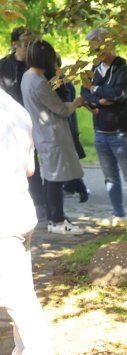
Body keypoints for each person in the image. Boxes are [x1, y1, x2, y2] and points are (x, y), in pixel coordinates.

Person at [1, 87, 58, 355]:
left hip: (3, 218)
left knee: (16, 295)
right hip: (20, 210)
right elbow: (29, 168)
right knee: (20, 288)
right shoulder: (15, 108)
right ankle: (24, 353)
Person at [82, 28, 127, 229]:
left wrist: (96, 90)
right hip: (101, 133)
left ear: (109, 45)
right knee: (110, 177)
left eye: (98, 47)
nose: (96, 52)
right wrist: (98, 98)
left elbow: (117, 94)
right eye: (93, 49)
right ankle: (118, 214)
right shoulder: (92, 71)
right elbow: (85, 95)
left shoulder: (124, 71)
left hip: (121, 133)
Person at [21, 40, 86, 235]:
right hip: (51, 134)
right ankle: (57, 221)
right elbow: (60, 109)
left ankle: (57, 219)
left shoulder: (27, 77)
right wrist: (76, 103)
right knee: (55, 179)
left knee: (52, 177)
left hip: (43, 133)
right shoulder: (38, 82)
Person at [2, 27, 45, 220]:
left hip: (36, 119)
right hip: (11, 122)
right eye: (26, 43)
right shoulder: (3, 66)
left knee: (36, 164)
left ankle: (42, 202)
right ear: (14, 44)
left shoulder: (37, 65)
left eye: (32, 43)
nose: (29, 47)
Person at [50, 56, 90, 203]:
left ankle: (79, 187)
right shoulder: (61, 80)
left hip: (65, 125)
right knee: (67, 160)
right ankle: (74, 187)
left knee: (67, 160)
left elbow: (66, 104)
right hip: (67, 124)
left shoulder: (60, 81)